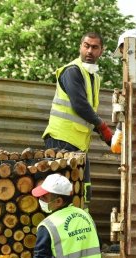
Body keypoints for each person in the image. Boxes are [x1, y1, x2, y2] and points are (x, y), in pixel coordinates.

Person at [42, 31, 112, 204]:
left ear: (101, 51)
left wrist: (106, 134)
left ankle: (81, 222)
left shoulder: (94, 78)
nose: (89, 51)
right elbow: (80, 105)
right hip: (61, 140)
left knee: (83, 190)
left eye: (95, 47)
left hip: (78, 144)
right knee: (62, 194)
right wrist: (102, 127)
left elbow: (89, 111)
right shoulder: (72, 71)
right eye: (86, 46)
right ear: (80, 47)